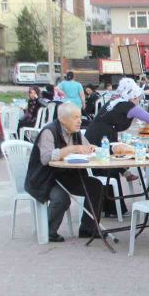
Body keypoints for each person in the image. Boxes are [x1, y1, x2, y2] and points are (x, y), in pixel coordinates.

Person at [24, 102, 103, 242]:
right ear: (62, 119)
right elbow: (45, 158)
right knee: (61, 198)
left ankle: (88, 228)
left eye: (80, 116)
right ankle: (47, 231)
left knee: (96, 186)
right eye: (75, 117)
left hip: (68, 175)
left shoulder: (76, 132)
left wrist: (95, 149)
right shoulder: (49, 131)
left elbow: (86, 147)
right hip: (46, 178)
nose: (80, 121)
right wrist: (72, 149)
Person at [85, 77, 149, 217]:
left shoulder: (114, 101)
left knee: (106, 167)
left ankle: (108, 207)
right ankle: (114, 209)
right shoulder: (129, 106)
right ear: (133, 96)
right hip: (103, 136)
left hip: (93, 134)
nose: (139, 99)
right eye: (138, 96)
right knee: (109, 168)